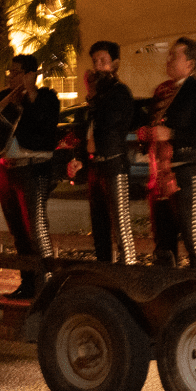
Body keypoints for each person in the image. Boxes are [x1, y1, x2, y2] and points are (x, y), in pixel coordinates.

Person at [137, 37, 196, 269]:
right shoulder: (163, 91)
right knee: (163, 241)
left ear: (190, 64)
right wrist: (147, 133)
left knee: (193, 236)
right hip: (161, 174)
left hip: (190, 173)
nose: (168, 59)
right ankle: (167, 284)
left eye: (174, 55)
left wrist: (173, 134)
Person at [0, 55, 60, 299]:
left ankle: (47, 285)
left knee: (36, 228)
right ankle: (28, 283)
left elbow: (44, 125)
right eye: (10, 73)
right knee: (18, 231)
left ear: (31, 74)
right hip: (8, 168)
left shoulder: (47, 98)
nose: (12, 77)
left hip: (34, 167)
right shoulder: (5, 97)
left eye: (17, 73)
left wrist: (30, 95)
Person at [66, 41, 137, 264]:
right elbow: (89, 131)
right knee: (99, 225)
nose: (97, 66)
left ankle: (128, 273)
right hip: (95, 165)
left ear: (115, 64)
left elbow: (108, 125)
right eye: (95, 61)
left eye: (103, 61)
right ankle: (104, 269)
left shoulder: (119, 93)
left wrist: (94, 96)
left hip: (114, 165)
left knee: (121, 225)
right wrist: (80, 158)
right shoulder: (96, 97)